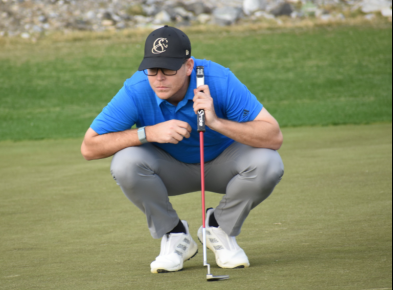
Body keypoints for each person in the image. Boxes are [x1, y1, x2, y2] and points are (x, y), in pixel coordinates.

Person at [81, 25, 284, 274]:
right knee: (125, 162)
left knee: (269, 162)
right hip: (168, 169)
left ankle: (219, 228)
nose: (159, 78)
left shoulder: (219, 79)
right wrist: (148, 133)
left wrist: (216, 122)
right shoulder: (136, 89)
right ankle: (175, 234)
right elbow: (89, 147)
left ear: (188, 66)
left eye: (168, 68)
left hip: (224, 164)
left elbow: (273, 136)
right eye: (152, 69)